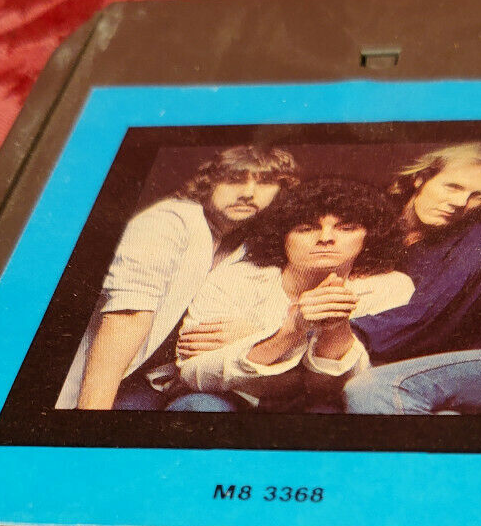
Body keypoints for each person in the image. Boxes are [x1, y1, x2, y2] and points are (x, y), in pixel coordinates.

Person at [55, 145, 300, 409]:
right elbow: (127, 315)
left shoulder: (253, 247)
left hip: (171, 382)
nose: (248, 193)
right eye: (234, 179)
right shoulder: (170, 222)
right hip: (103, 381)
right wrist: (91, 414)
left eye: (264, 182)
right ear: (209, 183)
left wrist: (254, 335)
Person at [167, 179, 413, 411]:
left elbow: (362, 386)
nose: (325, 238)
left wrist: (252, 336)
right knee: (198, 406)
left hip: (326, 406)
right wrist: (289, 332)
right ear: (282, 236)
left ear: (370, 236)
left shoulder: (390, 287)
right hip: (234, 400)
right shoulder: (236, 277)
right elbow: (192, 373)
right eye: (306, 228)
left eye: (346, 228)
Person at [340, 143, 481, 415]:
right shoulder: (378, 219)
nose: (461, 202)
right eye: (453, 186)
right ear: (421, 178)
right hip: (421, 362)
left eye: (478, 195)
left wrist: (330, 333)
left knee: (377, 389)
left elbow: (432, 318)